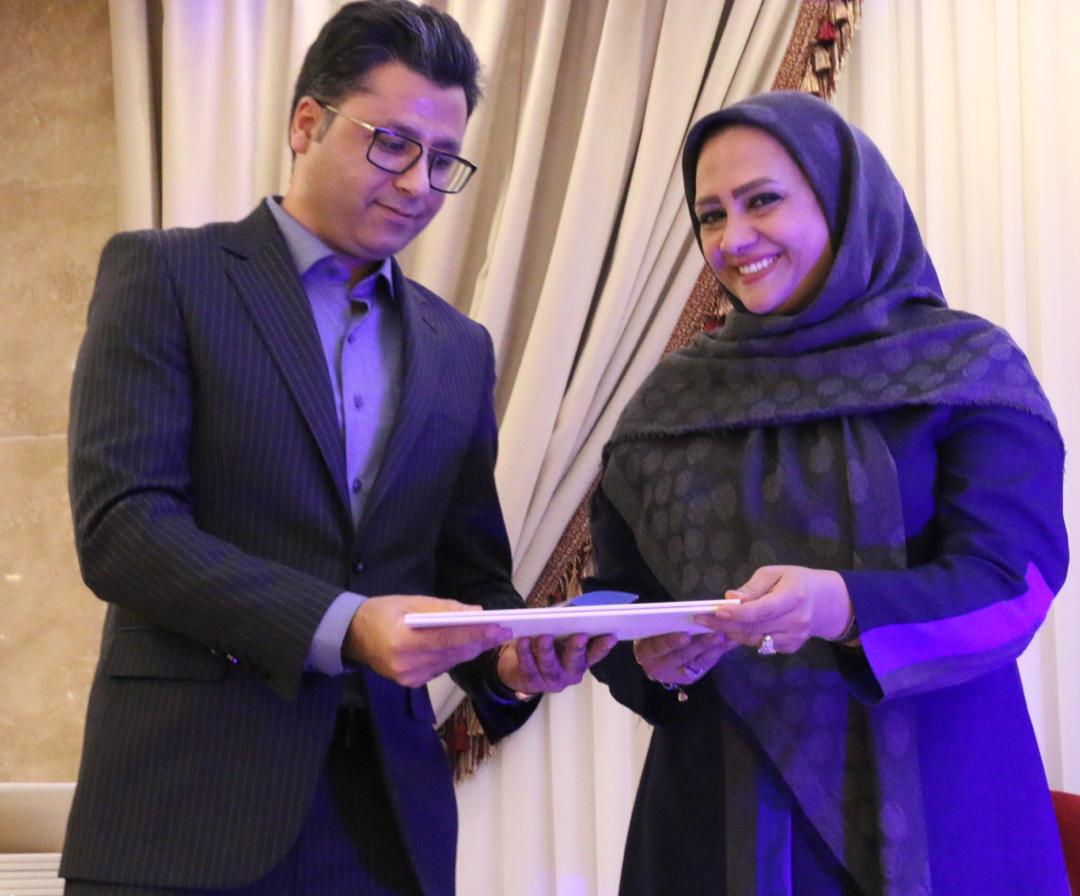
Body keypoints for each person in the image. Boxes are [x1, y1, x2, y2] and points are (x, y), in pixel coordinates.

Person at [63, 3, 612, 894]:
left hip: (385, 826)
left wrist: (508, 660)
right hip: (184, 809)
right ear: (306, 123)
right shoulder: (167, 276)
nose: (418, 184)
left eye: (442, 160)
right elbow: (122, 531)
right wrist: (345, 625)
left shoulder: (458, 346)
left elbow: (468, 571)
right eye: (392, 144)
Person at [587, 90, 1070, 895]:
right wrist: (651, 658)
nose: (733, 239)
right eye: (710, 215)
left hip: (939, 808)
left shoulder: (964, 369)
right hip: (717, 823)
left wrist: (840, 606)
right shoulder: (669, 403)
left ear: (844, 201)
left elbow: (1012, 586)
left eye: (763, 201)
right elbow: (619, 594)